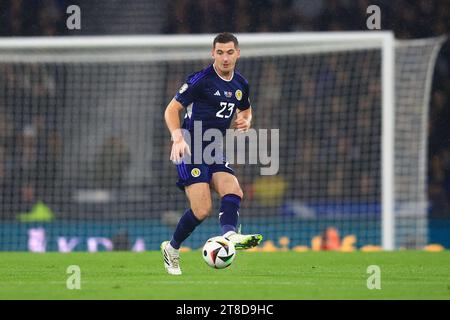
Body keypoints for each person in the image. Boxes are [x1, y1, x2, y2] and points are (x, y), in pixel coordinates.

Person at [161, 32, 263, 275]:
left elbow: (246, 110)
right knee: (202, 210)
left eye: (229, 52)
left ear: (237, 53)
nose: (225, 58)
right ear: (213, 54)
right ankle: (172, 249)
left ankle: (229, 234)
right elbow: (171, 110)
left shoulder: (241, 84)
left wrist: (246, 121)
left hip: (213, 147)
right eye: (220, 52)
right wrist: (176, 136)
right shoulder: (201, 80)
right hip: (189, 145)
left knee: (234, 189)